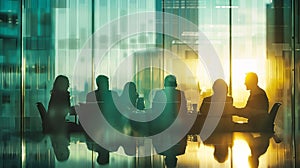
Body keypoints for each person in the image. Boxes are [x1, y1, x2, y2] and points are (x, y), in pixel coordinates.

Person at [151, 75, 188, 168]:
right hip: (178, 128)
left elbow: (154, 111)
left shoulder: (159, 94)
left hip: (161, 127)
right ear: (175, 84)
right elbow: (185, 111)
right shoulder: (181, 94)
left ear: (164, 84)